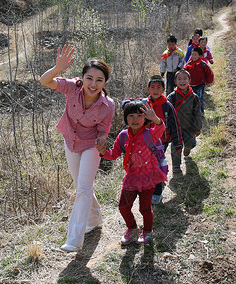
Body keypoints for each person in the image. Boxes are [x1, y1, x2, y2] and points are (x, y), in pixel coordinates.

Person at [39, 45, 115, 252]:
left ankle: (74, 239)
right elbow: (44, 81)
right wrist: (57, 68)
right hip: (71, 142)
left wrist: (101, 140)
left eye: (99, 80)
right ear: (82, 78)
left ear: (105, 83)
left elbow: (103, 130)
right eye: (89, 78)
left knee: (83, 188)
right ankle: (95, 217)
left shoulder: (108, 105)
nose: (93, 84)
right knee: (82, 184)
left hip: (91, 145)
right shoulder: (72, 87)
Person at [96, 101, 166, 244]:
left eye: (139, 115)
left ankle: (147, 231)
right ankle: (132, 228)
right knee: (123, 206)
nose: (135, 119)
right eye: (131, 115)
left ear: (145, 117)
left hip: (148, 178)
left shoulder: (149, 134)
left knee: (145, 209)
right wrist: (102, 151)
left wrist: (155, 118)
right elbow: (113, 154)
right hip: (131, 178)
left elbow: (161, 128)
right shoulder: (123, 136)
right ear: (126, 118)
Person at [146, 75, 182, 204]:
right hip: (146, 142)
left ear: (163, 89)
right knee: (149, 166)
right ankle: (152, 187)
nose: (155, 90)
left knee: (156, 165)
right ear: (148, 88)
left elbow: (175, 125)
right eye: (153, 87)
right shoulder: (144, 104)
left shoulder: (167, 106)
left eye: (158, 87)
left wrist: (178, 144)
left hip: (162, 141)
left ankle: (157, 193)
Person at [167, 69, 203, 169]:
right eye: (179, 79)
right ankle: (176, 166)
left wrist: (197, 127)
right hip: (176, 127)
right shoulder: (172, 97)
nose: (182, 81)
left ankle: (187, 149)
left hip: (189, 127)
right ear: (175, 82)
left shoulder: (194, 97)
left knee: (191, 143)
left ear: (189, 80)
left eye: (184, 79)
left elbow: (197, 114)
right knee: (176, 146)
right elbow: (166, 112)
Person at [184, 47, 214, 114]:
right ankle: (191, 113)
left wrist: (209, 81)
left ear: (200, 56)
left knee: (199, 99)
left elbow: (210, 73)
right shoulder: (189, 64)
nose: (193, 56)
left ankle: (201, 113)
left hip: (200, 84)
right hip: (191, 84)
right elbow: (184, 72)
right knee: (190, 99)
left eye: (195, 55)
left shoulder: (203, 64)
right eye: (192, 54)